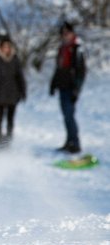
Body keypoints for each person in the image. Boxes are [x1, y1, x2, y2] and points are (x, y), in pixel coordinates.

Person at [50, 22, 86, 154]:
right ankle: (69, 141)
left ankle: (75, 143)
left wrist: (77, 89)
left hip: (71, 87)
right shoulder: (62, 49)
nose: (65, 36)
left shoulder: (77, 48)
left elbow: (81, 71)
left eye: (67, 33)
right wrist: (53, 84)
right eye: (63, 34)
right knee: (65, 116)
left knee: (70, 115)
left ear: (72, 34)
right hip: (62, 86)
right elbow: (59, 68)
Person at [0, 34, 26, 145]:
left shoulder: (15, 59)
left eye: (8, 46)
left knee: (10, 118)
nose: (6, 49)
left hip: (12, 93)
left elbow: (19, 76)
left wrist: (23, 91)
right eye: (4, 46)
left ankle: (8, 139)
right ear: (0, 47)